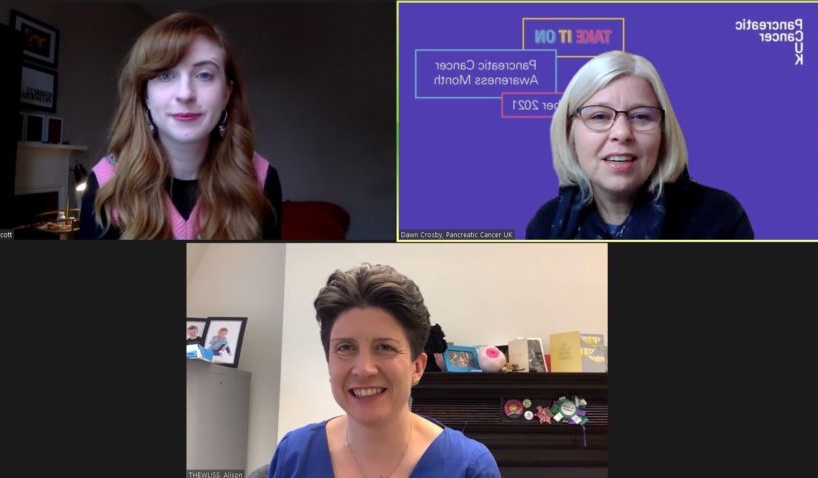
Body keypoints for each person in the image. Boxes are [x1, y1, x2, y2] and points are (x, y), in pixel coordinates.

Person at [269, 263, 501, 477]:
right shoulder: (294, 455)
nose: (364, 369)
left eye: (384, 347)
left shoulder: (469, 467)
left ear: (417, 367)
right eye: (345, 347)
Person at [78, 12, 281, 240]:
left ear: (226, 93)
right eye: (165, 75)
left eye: (204, 75)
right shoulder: (107, 183)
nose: (185, 94)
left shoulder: (261, 179)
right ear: (145, 94)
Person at [526, 50, 753, 239]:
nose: (622, 133)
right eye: (599, 116)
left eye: (641, 116)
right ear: (569, 133)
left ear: (663, 132)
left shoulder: (719, 218)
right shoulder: (546, 225)